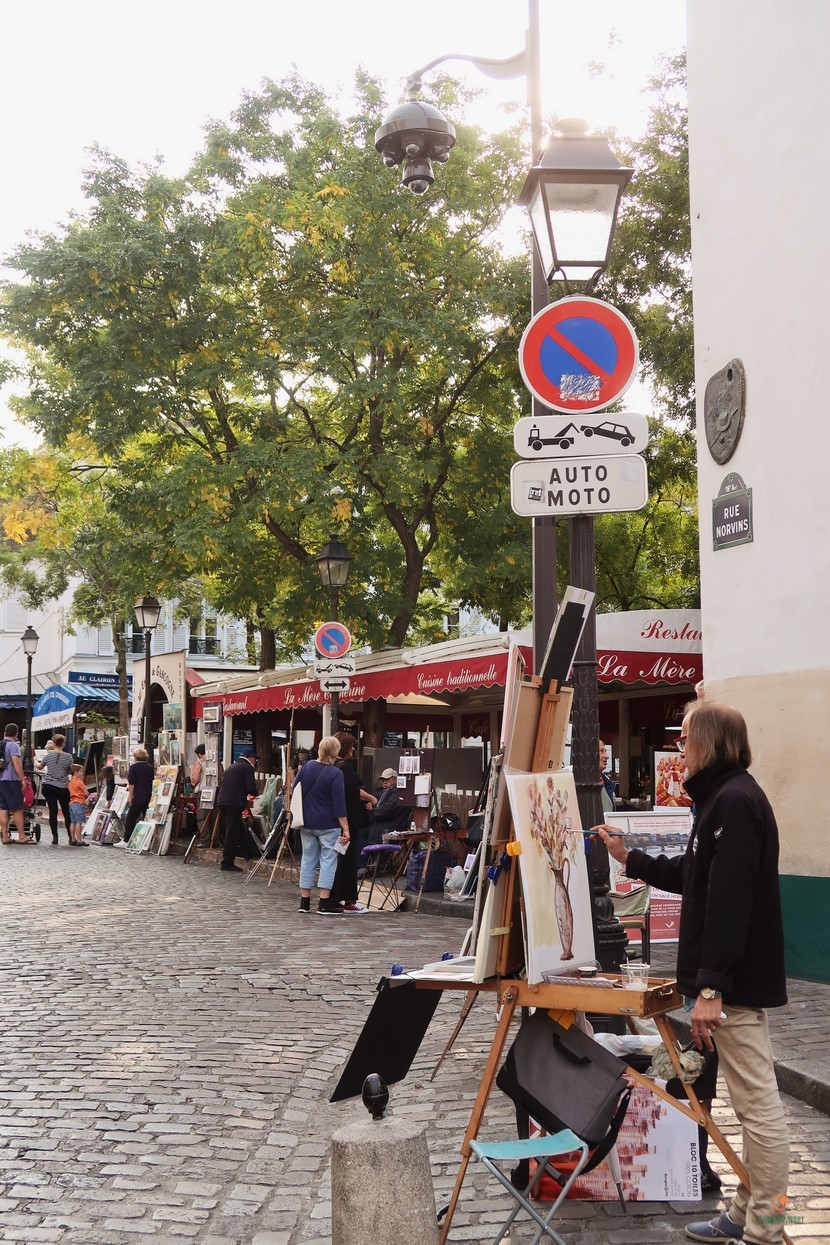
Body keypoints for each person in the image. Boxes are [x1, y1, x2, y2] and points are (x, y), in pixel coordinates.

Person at [595, 700, 789, 1245]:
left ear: (709, 740)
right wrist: (629, 858)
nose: (680, 747)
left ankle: (766, 1228)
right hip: (727, 985)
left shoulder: (735, 801)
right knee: (749, 1107)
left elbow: (729, 904)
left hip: (734, 989)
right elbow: (694, 874)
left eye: (685, 737)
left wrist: (711, 987)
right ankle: (745, 1212)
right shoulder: (720, 799)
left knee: (759, 1110)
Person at [292, 735, 349, 915]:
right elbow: (339, 804)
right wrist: (346, 828)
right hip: (328, 824)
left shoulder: (307, 766)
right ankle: (324, 902)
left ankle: (304, 902)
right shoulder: (336, 773)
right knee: (328, 861)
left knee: (307, 859)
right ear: (336, 752)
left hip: (307, 822)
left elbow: (295, 789)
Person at [329, 731, 376, 913]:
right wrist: (371, 798)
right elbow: (352, 790)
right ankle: (348, 899)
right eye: (352, 746)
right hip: (348, 821)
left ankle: (333, 897)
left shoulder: (331, 766)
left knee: (336, 860)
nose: (354, 749)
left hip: (335, 820)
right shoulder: (343, 767)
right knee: (348, 861)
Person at [216, 747, 258, 873]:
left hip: (222, 800)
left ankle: (248, 853)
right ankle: (227, 862)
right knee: (232, 831)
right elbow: (251, 788)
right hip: (234, 801)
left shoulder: (232, 766)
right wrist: (256, 793)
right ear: (251, 758)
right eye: (255, 759)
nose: (255, 762)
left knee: (238, 827)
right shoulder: (247, 767)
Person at [35, 733, 73, 845]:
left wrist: (34, 760)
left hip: (49, 786)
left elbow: (40, 767)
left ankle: (55, 837)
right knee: (66, 812)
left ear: (53, 743)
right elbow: (70, 770)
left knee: (53, 811)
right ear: (63, 744)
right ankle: (71, 837)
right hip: (62, 786)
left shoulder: (48, 756)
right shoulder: (68, 757)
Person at [0, 724, 34, 845]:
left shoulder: (1, 744)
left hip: (1, 780)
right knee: (17, 808)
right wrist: (22, 779)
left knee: (3, 808)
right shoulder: (13, 745)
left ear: (5, 733)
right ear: (17, 733)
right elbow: (16, 763)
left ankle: (4, 836)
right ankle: (22, 836)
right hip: (11, 780)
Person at [124, 747, 154, 843]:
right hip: (149, 795)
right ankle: (148, 841)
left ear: (135, 757)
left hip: (138, 796)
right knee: (147, 818)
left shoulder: (133, 767)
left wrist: (130, 797)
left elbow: (131, 784)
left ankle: (127, 839)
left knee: (130, 818)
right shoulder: (150, 767)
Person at [67, 764, 90, 846]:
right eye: (81, 771)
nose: (82, 773)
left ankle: (73, 839)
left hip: (72, 803)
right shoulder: (79, 782)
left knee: (72, 822)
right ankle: (79, 840)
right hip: (79, 802)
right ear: (76, 772)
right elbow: (86, 793)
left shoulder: (70, 782)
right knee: (78, 822)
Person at [599, 739, 616, 812]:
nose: (607, 756)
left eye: (605, 751)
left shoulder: (607, 783)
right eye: (601, 751)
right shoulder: (575, 782)